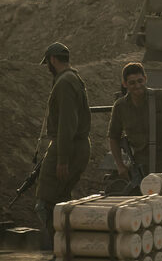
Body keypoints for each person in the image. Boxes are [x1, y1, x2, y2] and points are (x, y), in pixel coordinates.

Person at [35, 42, 91, 250]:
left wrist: (62, 159)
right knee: (60, 201)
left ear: (52, 60)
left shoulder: (65, 82)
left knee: (45, 204)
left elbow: (67, 123)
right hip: (74, 146)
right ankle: (69, 247)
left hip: (67, 147)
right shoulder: (72, 78)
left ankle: (58, 249)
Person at [107, 63, 162, 179]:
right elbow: (113, 137)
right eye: (132, 83)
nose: (137, 86)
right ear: (125, 84)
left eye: (140, 81)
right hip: (140, 163)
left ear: (145, 79)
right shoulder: (120, 106)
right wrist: (120, 165)